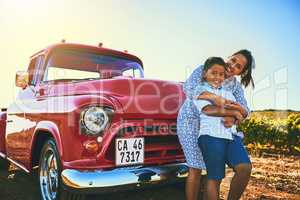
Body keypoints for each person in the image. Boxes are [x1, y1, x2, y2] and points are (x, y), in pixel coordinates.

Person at [177, 49, 255, 200]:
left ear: (241, 72)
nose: (232, 66)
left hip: (219, 127)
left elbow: (246, 110)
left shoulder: (235, 87)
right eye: (233, 60)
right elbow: (188, 88)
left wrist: (234, 116)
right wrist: (214, 98)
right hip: (191, 121)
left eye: (238, 66)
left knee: (214, 171)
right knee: (196, 168)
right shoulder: (207, 68)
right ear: (229, 57)